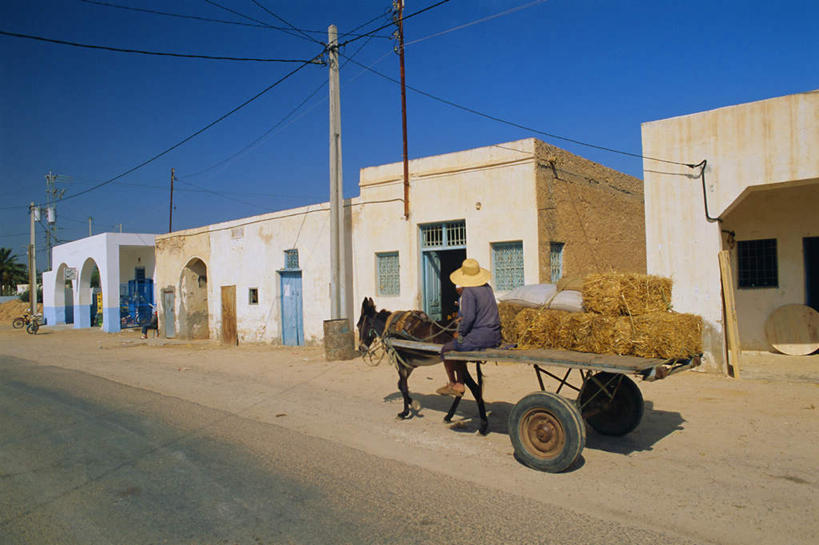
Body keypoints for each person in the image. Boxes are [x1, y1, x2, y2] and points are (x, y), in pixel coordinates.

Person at [436, 258, 501, 397]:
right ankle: (459, 381)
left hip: (480, 338)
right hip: (494, 335)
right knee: (458, 345)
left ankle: (454, 383)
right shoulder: (487, 288)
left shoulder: (469, 292)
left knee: (447, 348)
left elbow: (469, 318)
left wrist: (459, 333)